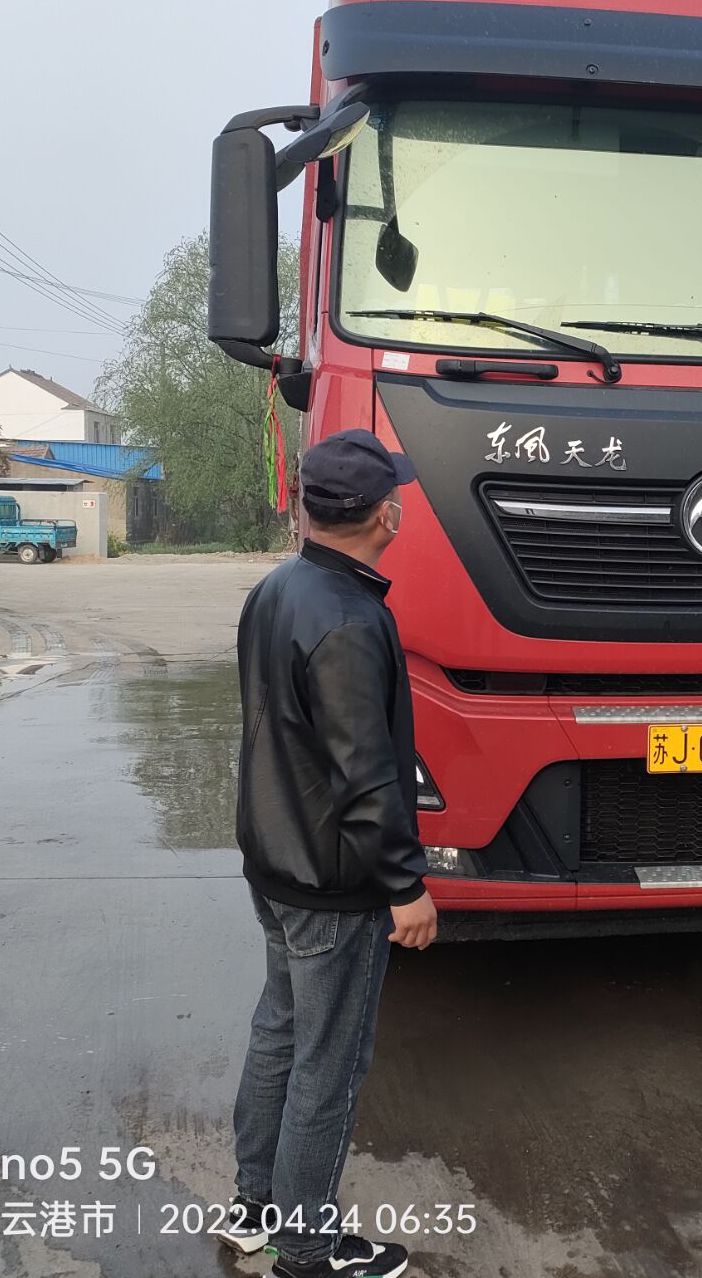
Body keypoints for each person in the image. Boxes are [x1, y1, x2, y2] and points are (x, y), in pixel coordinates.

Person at [222, 427, 435, 1278]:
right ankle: (306, 1249)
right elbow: (366, 777)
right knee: (327, 1063)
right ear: (385, 515)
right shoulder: (350, 619)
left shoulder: (279, 587)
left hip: (276, 863)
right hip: (330, 880)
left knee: (280, 1033)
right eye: (397, 495)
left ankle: (255, 1210)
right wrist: (406, 886)